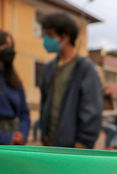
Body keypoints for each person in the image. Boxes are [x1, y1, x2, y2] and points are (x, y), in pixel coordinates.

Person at [38, 13, 103, 148]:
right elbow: (44, 102)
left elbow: (92, 108)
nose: (46, 40)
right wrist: (44, 134)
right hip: (50, 142)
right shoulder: (49, 68)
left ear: (65, 37)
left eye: (50, 35)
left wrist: (84, 141)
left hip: (73, 147)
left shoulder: (85, 68)